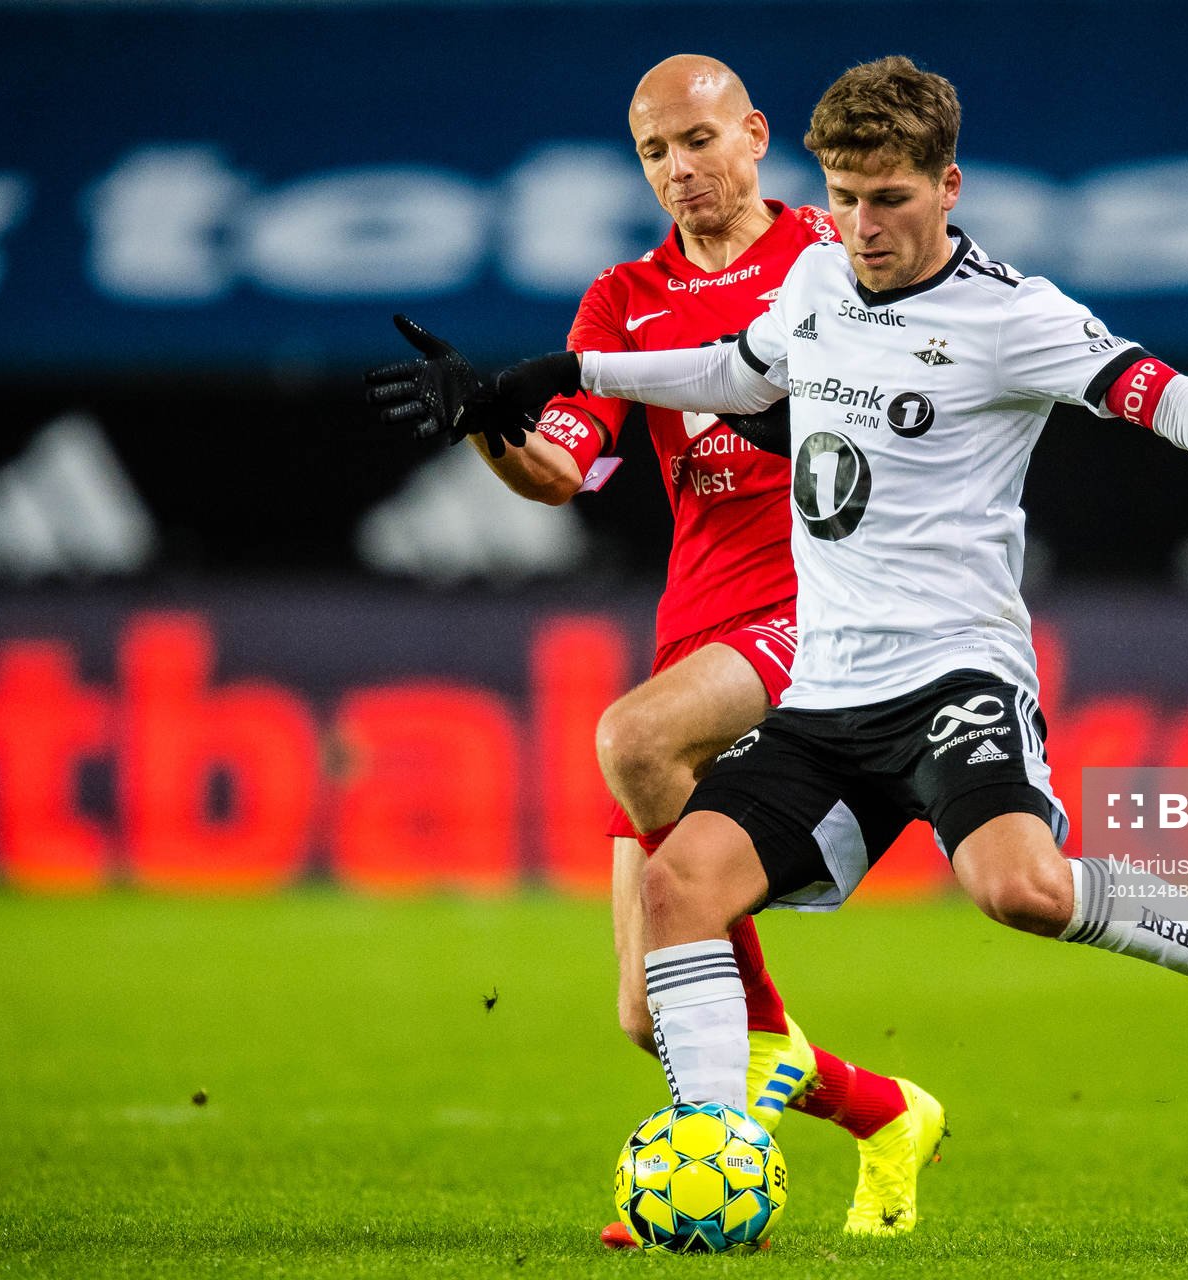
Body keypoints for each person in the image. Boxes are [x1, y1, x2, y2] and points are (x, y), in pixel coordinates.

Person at [374, 53, 1188, 1181]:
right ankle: (714, 1154)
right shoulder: (817, 286)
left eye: (889, 199)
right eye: (845, 198)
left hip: (951, 676)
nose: (863, 226)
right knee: (678, 898)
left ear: (947, 188)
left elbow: (1145, 383)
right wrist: (543, 374)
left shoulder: (1010, 313)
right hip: (826, 687)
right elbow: (736, 372)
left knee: (1018, 886)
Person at [364, 55, 943, 1242]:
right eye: (654, 153)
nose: (681, 171)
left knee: (631, 732)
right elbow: (562, 469)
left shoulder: (834, 258)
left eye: (699, 141)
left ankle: (712, 1149)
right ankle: (885, 1109)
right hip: (703, 624)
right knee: (649, 1008)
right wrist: (487, 420)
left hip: (824, 608)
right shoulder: (623, 295)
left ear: (756, 137)